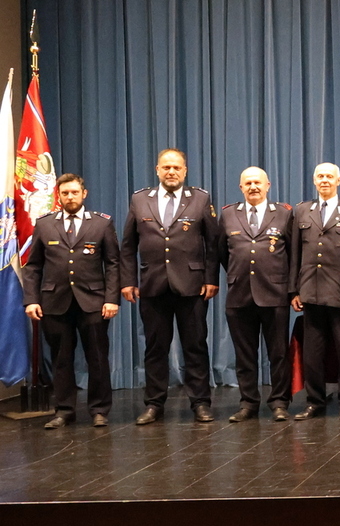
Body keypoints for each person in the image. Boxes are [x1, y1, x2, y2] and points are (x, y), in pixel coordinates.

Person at [120, 148, 219, 425]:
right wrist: (128, 281)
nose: (171, 172)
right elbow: (128, 246)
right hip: (152, 285)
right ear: (157, 170)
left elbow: (213, 244)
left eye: (176, 167)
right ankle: (154, 404)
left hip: (192, 285)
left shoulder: (200, 199)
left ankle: (200, 403)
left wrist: (211, 278)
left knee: (195, 346)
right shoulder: (140, 199)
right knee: (155, 348)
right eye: (166, 167)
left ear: (185, 171)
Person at [23, 173, 119, 428]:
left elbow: (112, 264)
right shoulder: (45, 224)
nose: (70, 197)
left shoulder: (101, 223)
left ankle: (99, 410)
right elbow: (33, 266)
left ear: (84, 194)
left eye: (74, 192)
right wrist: (31, 300)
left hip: (93, 302)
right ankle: (64, 410)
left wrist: (112, 299)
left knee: (97, 357)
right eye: (65, 193)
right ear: (59, 196)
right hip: (55, 302)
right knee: (61, 359)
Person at [290, 162, 340, 420]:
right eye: (320, 176)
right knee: (312, 353)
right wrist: (294, 290)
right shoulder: (302, 210)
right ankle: (315, 401)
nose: (324, 180)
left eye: (329, 176)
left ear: (339, 180)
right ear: (314, 180)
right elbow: (295, 254)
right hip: (310, 289)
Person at [217, 167, 294, 423]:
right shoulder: (228, 214)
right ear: (241, 187)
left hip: (274, 293)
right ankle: (248, 403)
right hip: (239, 294)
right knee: (244, 355)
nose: (253, 187)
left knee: (278, 354)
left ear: (268, 185)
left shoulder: (284, 214)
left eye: (257, 183)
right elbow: (222, 253)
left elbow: (293, 254)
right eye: (248, 183)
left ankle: (279, 402)